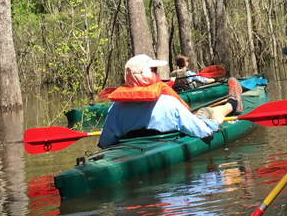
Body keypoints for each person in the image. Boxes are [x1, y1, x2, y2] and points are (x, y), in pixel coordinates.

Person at [98, 55, 229, 148]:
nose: (156, 73)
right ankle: (229, 105)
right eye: (153, 70)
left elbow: (105, 142)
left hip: (131, 150)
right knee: (208, 113)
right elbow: (203, 131)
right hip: (166, 148)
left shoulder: (117, 108)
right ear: (145, 73)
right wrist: (215, 122)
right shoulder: (169, 103)